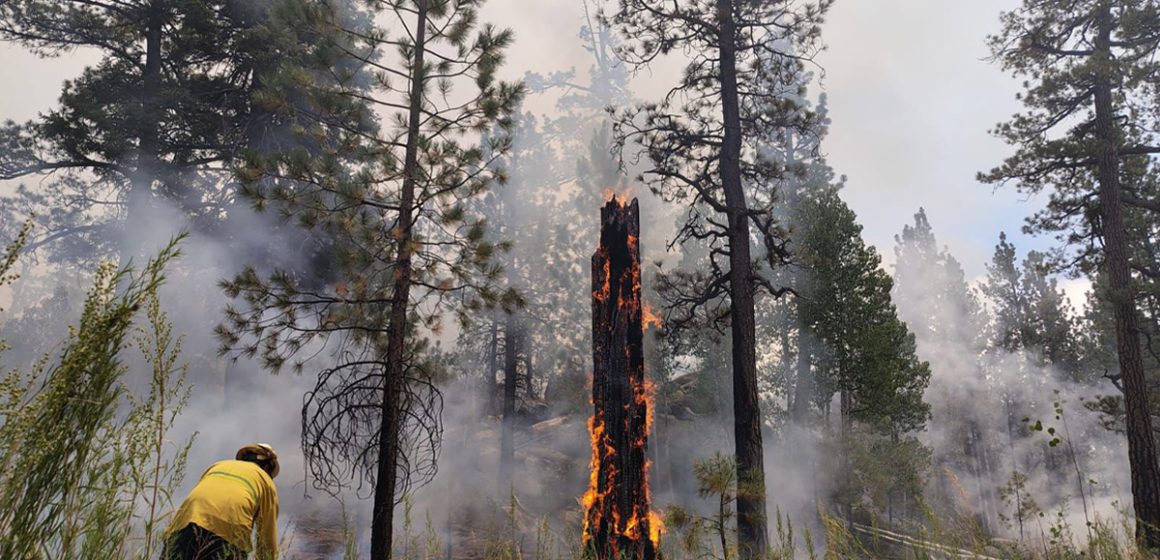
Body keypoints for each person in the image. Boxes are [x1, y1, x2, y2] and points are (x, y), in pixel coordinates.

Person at [163, 443, 280, 560]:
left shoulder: (217, 466)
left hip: (183, 527)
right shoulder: (266, 481)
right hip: (227, 536)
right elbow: (267, 541)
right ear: (267, 468)